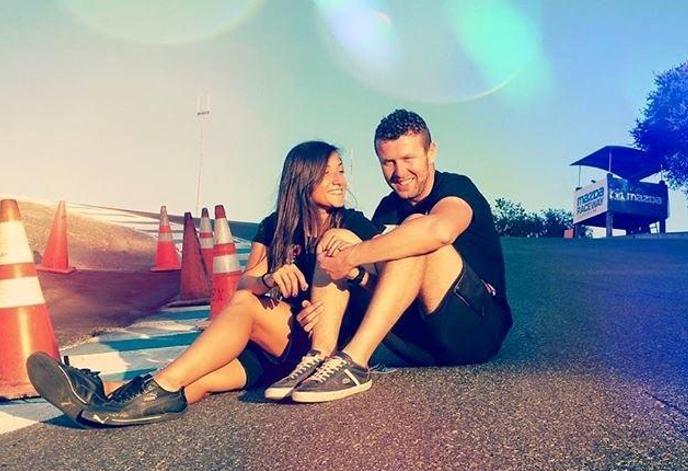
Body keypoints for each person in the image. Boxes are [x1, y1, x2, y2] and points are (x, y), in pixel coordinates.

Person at [26, 140, 381, 426]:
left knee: (239, 312)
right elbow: (247, 282)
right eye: (328, 173)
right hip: (272, 347)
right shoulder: (275, 225)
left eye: (341, 171)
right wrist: (270, 277)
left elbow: (378, 285)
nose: (340, 180)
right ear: (303, 180)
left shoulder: (354, 223)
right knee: (201, 379)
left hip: (316, 350)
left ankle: (154, 387)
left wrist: (347, 280)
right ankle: (100, 398)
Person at [285, 109, 513, 403]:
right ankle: (321, 356)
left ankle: (355, 362)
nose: (398, 172)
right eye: (388, 162)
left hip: (474, 332)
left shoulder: (457, 188)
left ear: (431, 152)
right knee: (336, 238)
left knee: (413, 231)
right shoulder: (387, 208)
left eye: (408, 159)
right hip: (419, 340)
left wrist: (353, 256)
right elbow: (384, 285)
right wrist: (348, 277)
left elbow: (440, 230)